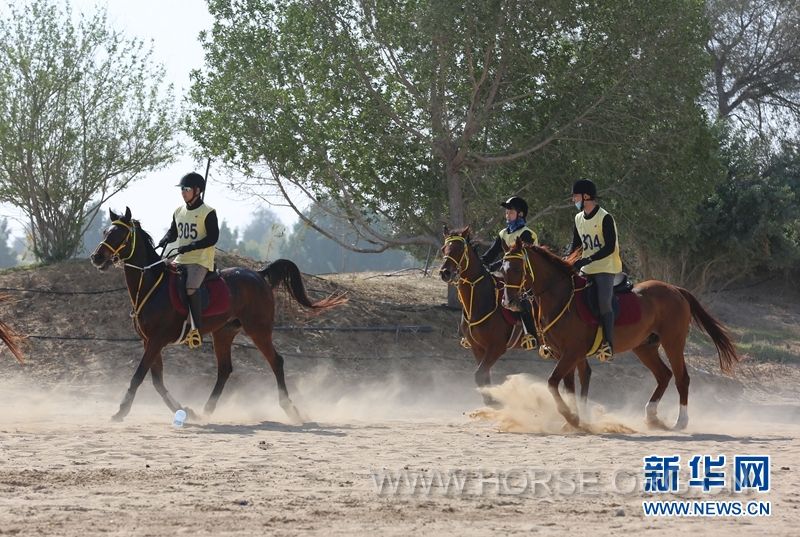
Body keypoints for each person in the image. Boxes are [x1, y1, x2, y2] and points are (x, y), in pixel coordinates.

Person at [157, 172, 219, 349]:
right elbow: (173, 232)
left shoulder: (208, 212)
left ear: (197, 191)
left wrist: (192, 246)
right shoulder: (179, 211)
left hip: (200, 260)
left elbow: (213, 238)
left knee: (191, 288)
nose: (183, 192)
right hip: (181, 258)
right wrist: (165, 238)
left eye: (186, 189)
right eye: (182, 189)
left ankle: (195, 330)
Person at [569, 178, 622, 361]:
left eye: (575, 196)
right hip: (586, 267)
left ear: (585, 196)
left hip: (605, 267)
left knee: (604, 302)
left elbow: (608, 247)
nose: (573, 200)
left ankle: (608, 345)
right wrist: (567, 260)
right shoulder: (578, 218)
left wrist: (587, 259)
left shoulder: (605, 217)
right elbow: (576, 246)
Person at [481, 196, 539, 350]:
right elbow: (491, 253)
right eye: (506, 213)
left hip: (527, 276)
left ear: (520, 214)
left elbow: (514, 261)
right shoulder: (503, 234)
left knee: (525, 300)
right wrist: (480, 263)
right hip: (509, 276)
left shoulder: (527, 234)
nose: (507, 215)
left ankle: (531, 335)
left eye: (510, 212)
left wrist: (495, 265)